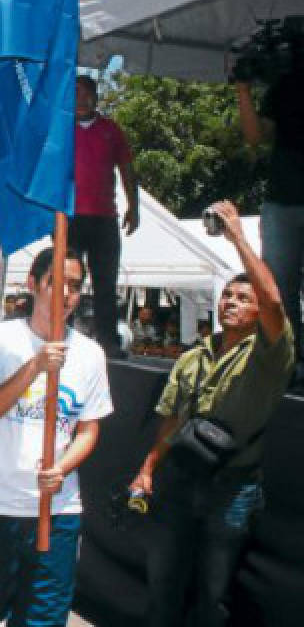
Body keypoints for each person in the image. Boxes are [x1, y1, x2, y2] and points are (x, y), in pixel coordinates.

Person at [129, 201, 294, 627]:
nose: (231, 303)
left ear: (258, 312)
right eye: (227, 295)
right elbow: (171, 420)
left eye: (243, 298)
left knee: (212, 595)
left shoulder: (268, 355)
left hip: (232, 490)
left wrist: (237, 236)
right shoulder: (194, 355)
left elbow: (275, 300)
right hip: (180, 481)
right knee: (163, 584)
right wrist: (148, 469)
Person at [0, 246, 112, 627]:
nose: (67, 294)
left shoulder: (90, 355)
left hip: (58, 511)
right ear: (33, 284)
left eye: (75, 285)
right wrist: (36, 366)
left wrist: (62, 467)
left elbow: (89, 429)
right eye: (57, 283)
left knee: (45, 618)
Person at [236, 56, 304, 372]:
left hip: (285, 200)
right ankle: (289, 362)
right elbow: (255, 136)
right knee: (278, 288)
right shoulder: (285, 84)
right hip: (283, 197)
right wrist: (243, 91)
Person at [70, 75, 139, 357]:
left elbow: (127, 169)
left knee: (105, 283)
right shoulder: (60, 129)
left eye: (87, 93)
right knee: (65, 279)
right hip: (68, 218)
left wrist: (135, 207)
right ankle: (60, 335)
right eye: (76, 93)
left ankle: (108, 343)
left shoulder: (111, 129)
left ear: (96, 97)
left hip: (104, 218)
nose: (82, 99)